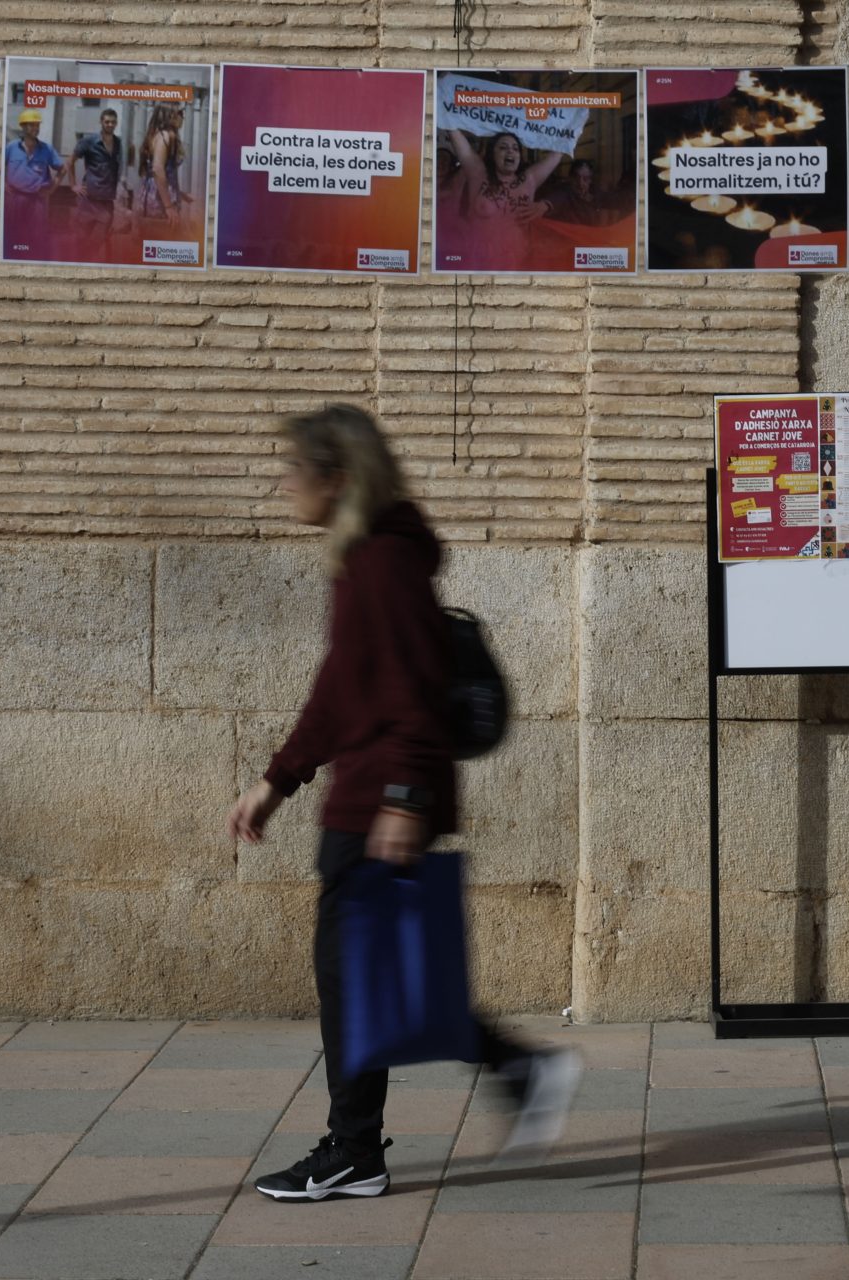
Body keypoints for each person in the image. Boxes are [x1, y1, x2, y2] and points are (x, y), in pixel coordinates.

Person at [228, 404, 581, 1203]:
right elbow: (339, 691)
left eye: (294, 470)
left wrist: (403, 797)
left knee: (357, 979)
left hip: (378, 801)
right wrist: (276, 782)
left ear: (338, 478)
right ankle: (511, 1071)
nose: (283, 484)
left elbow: (415, 693)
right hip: (366, 795)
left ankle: (359, 1147)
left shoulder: (385, 564)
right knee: (380, 975)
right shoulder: (366, 560)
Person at [438, 128, 561, 270]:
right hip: (479, 267)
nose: (510, 152)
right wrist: (448, 116)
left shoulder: (529, 180)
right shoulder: (478, 174)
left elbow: (559, 152)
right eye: (503, 148)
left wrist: (546, 204)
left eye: (515, 149)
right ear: (492, 153)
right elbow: (454, 132)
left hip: (517, 267)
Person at [66, 107, 126, 255]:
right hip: (88, 201)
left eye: (113, 122)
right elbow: (70, 162)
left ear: (116, 123)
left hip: (106, 203)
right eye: (107, 122)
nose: (110, 125)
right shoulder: (89, 141)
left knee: (95, 245)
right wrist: (73, 185)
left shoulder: (118, 143)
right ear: (101, 122)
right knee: (81, 243)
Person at [2, 107, 63, 243]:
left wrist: (52, 189)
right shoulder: (11, 147)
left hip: (37, 200)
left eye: (37, 125)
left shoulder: (47, 149)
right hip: (14, 198)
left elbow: (62, 169)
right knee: (12, 234)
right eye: (31, 125)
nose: (35, 128)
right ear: (23, 126)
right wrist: (3, 184)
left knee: (36, 237)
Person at [137, 104, 189, 222]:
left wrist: (179, 193)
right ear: (170, 115)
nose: (183, 117)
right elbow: (157, 169)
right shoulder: (164, 136)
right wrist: (168, 206)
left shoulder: (161, 135)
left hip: (159, 196)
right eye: (180, 113)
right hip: (159, 201)